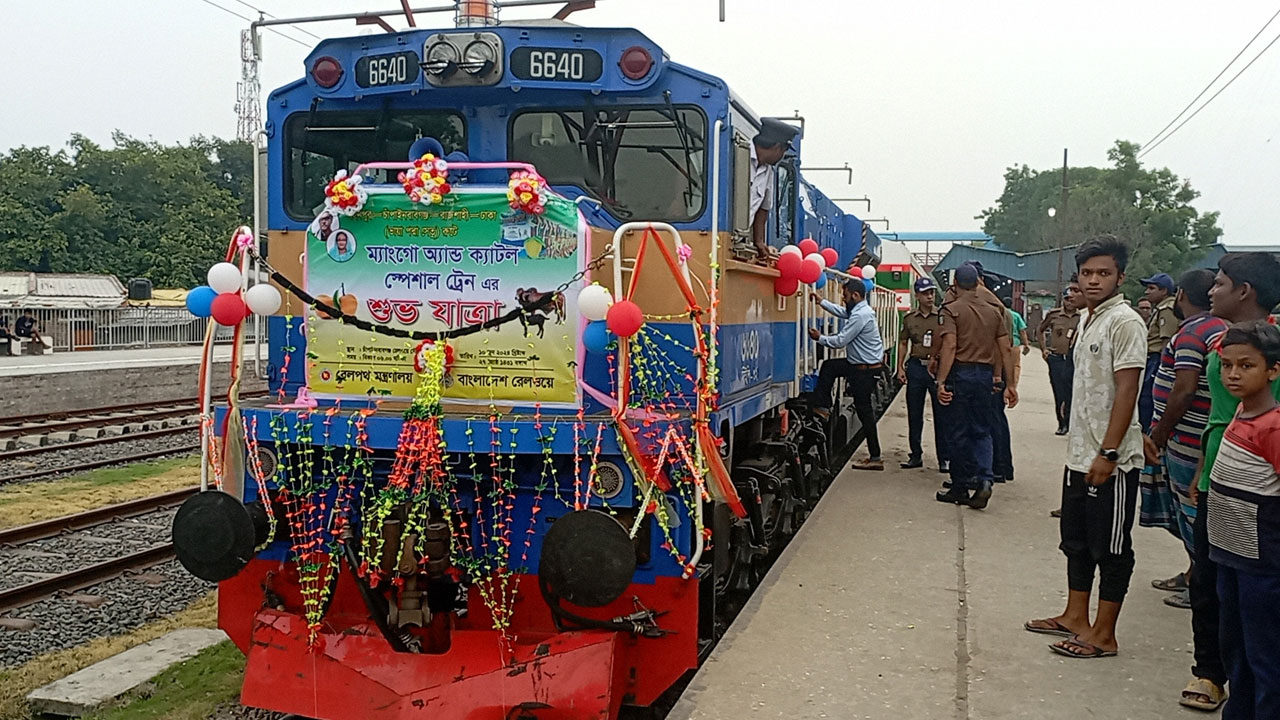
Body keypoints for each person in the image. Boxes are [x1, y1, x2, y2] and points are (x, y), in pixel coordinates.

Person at [1025, 235, 1146, 659]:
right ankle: (1075, 615)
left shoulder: (1125, 321)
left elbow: (1128, 389)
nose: (1094, 281)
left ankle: (1104, 633)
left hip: (1109, 459)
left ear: (1120, 277)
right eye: (1087, 273)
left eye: (1103, 273)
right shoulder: (1090, 318)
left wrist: (1109, 452)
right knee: (1074, 540)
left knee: (1110, 547)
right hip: (1079, 454)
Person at [1182, 252, 1280, 713]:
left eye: (1220, 283)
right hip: (1225, 489)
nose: (1211, 291)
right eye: (1228, 367)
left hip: (1261, 515)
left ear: (1245, 291)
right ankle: (1214, 675)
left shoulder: (1271, 351)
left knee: (1262, 638)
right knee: (1216, 593)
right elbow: (1216, 419)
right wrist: (1205, 468)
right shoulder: (1225, 344)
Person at [1205, 321, 1280, 719]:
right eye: (1227, 365)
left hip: (1262, 564)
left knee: (1265, 656)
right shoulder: (1239, 411)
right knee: (1236, 649)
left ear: (1273, 370)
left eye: (1247, 365)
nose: (1233, 374)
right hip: (1229, 554)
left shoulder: (1274, 426)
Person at [1142, 269, 1228, 615]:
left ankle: (1202, 587)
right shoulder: (1215, 329)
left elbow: (1184, 389)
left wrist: (1159, 435)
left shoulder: (1194, 331)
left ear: (1179, 295)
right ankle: (1194, 572)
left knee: (1191, 514)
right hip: (1192, 435)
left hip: (1187, 438)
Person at [934, 262, 1015, 509]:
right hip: (984, 376)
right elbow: (1005, 348)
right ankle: (985, 480)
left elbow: (949, 346)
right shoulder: (994, 311)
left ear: (956, 284)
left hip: (961, 374)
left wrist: (941, 381)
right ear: (978, 283)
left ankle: (959, 486)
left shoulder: (951, 309)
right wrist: (1007, 382)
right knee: (982, 430)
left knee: (958, 432)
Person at [808, 279, 885, 470]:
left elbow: (841, 341)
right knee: (830, 367)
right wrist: (821, 302)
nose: (843, 299)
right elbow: (843, 312)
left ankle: (875, 457)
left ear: (855, 295)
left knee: (864, 410)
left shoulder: (860, 316)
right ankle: (823, 407)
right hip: (860, 366)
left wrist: (820, 338)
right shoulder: (859, 311)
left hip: (864, 370)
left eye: (845, 295)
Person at [895, 277, 949, 471]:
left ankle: (944, 458)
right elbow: (903, 343)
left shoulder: (942, 316)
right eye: (925, 293)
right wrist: (900, 367)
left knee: (942, 414)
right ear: (917, 295)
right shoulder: (910, 319)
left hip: (937, 368)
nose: (930, 296)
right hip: (917, 367)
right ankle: (915, 454)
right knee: (914, 413)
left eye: (932, 292)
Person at [747, 118, 800, 262]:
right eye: (783, 151)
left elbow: (763, 208)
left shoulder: (768, 171)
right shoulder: (740, 154)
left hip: (742, 239)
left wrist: (759, 240)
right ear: (778, 147)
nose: (782, 157)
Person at [1041, 284, 1082, 435]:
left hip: (1074, 360)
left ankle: (1071, 422)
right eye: (1067, 299)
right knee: (1059, 392)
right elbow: (1040, 330)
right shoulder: (1054, 315)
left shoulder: (1082, 316)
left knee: (1073, 392)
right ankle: (1062, 423)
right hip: (1057, 359)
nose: (1070, 302)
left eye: (1072, 299)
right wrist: (1044, 349)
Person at [1139, 272, 1179, 431]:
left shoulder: (1167, 309)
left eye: (1151, 288)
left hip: (1157, 360)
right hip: (1151, 358)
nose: (1147, 292)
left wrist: (1164, 368)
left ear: (1164, 291)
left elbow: (1166, 341)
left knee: (1147, 399)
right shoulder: (1161, 308)